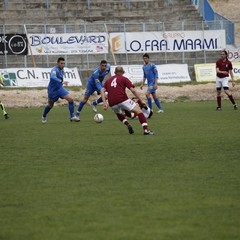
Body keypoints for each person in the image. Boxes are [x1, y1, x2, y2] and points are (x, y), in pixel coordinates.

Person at [101, 66, 154, 135]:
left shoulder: (108, 80)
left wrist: (104, 102)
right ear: (123, 72)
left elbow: (102, 90)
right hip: (122, 99)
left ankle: (127, 124)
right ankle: (146, 130)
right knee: (139, 111)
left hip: (112, 102)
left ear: (114, 72)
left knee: (118, 113)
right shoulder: (124, 79)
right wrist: (141, 100)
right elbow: (132, 90)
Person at [41, 57, 79, 123]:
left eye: (64, 63)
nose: (63, 65)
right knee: (50, 105)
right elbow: (53, 77)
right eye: (61, 63)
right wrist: (61, 82)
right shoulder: (54, 70)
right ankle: (44, 116)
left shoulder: (62, 70)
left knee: (70, 99)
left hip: (60, 89)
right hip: (53, 91)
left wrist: (61, 83)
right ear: (58, 63)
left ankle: (72, 116)